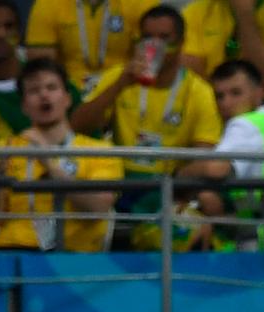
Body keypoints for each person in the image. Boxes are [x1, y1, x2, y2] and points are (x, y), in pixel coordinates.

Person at [70, 4, 222, 232]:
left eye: (164, 38)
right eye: (148, 38)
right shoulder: (119, 77)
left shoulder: (199, 91)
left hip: (167, 185)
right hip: (118, 181)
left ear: (181, 43)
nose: (155, 46)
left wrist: (182, 191)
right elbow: (77, 126)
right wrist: (121, 84)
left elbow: (203, 154)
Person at [0, 58, 123, 251]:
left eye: (51, 87)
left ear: (67, 98)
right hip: (13, 251)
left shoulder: (100, 151)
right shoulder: (5, 149)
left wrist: (50, 165)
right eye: (34, 90)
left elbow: (98, 208)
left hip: (74, 257)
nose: (44, 95)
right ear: (23, 105)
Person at [176, 59, 264, 251]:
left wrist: (180, 176)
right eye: (219, 96)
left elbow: (217, 169)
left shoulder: (245, 124)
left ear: (259, 92)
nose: (226, 103)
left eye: (236, 93)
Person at [0, 0, 82, 147]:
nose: (1, 34)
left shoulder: (52, 82)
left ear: (20, 33)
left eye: (9, 26)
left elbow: (87, 138)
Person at [180, 0, 264, 105]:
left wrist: (244, 14)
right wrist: (228, 97)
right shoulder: (198, 10)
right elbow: (189, 74)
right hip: (208, 107)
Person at [25, 0, 158, 94]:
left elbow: (148, 66)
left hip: (122, 88)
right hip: (69, 91)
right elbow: (40, 68)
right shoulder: (48, 3)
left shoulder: (141, 2)